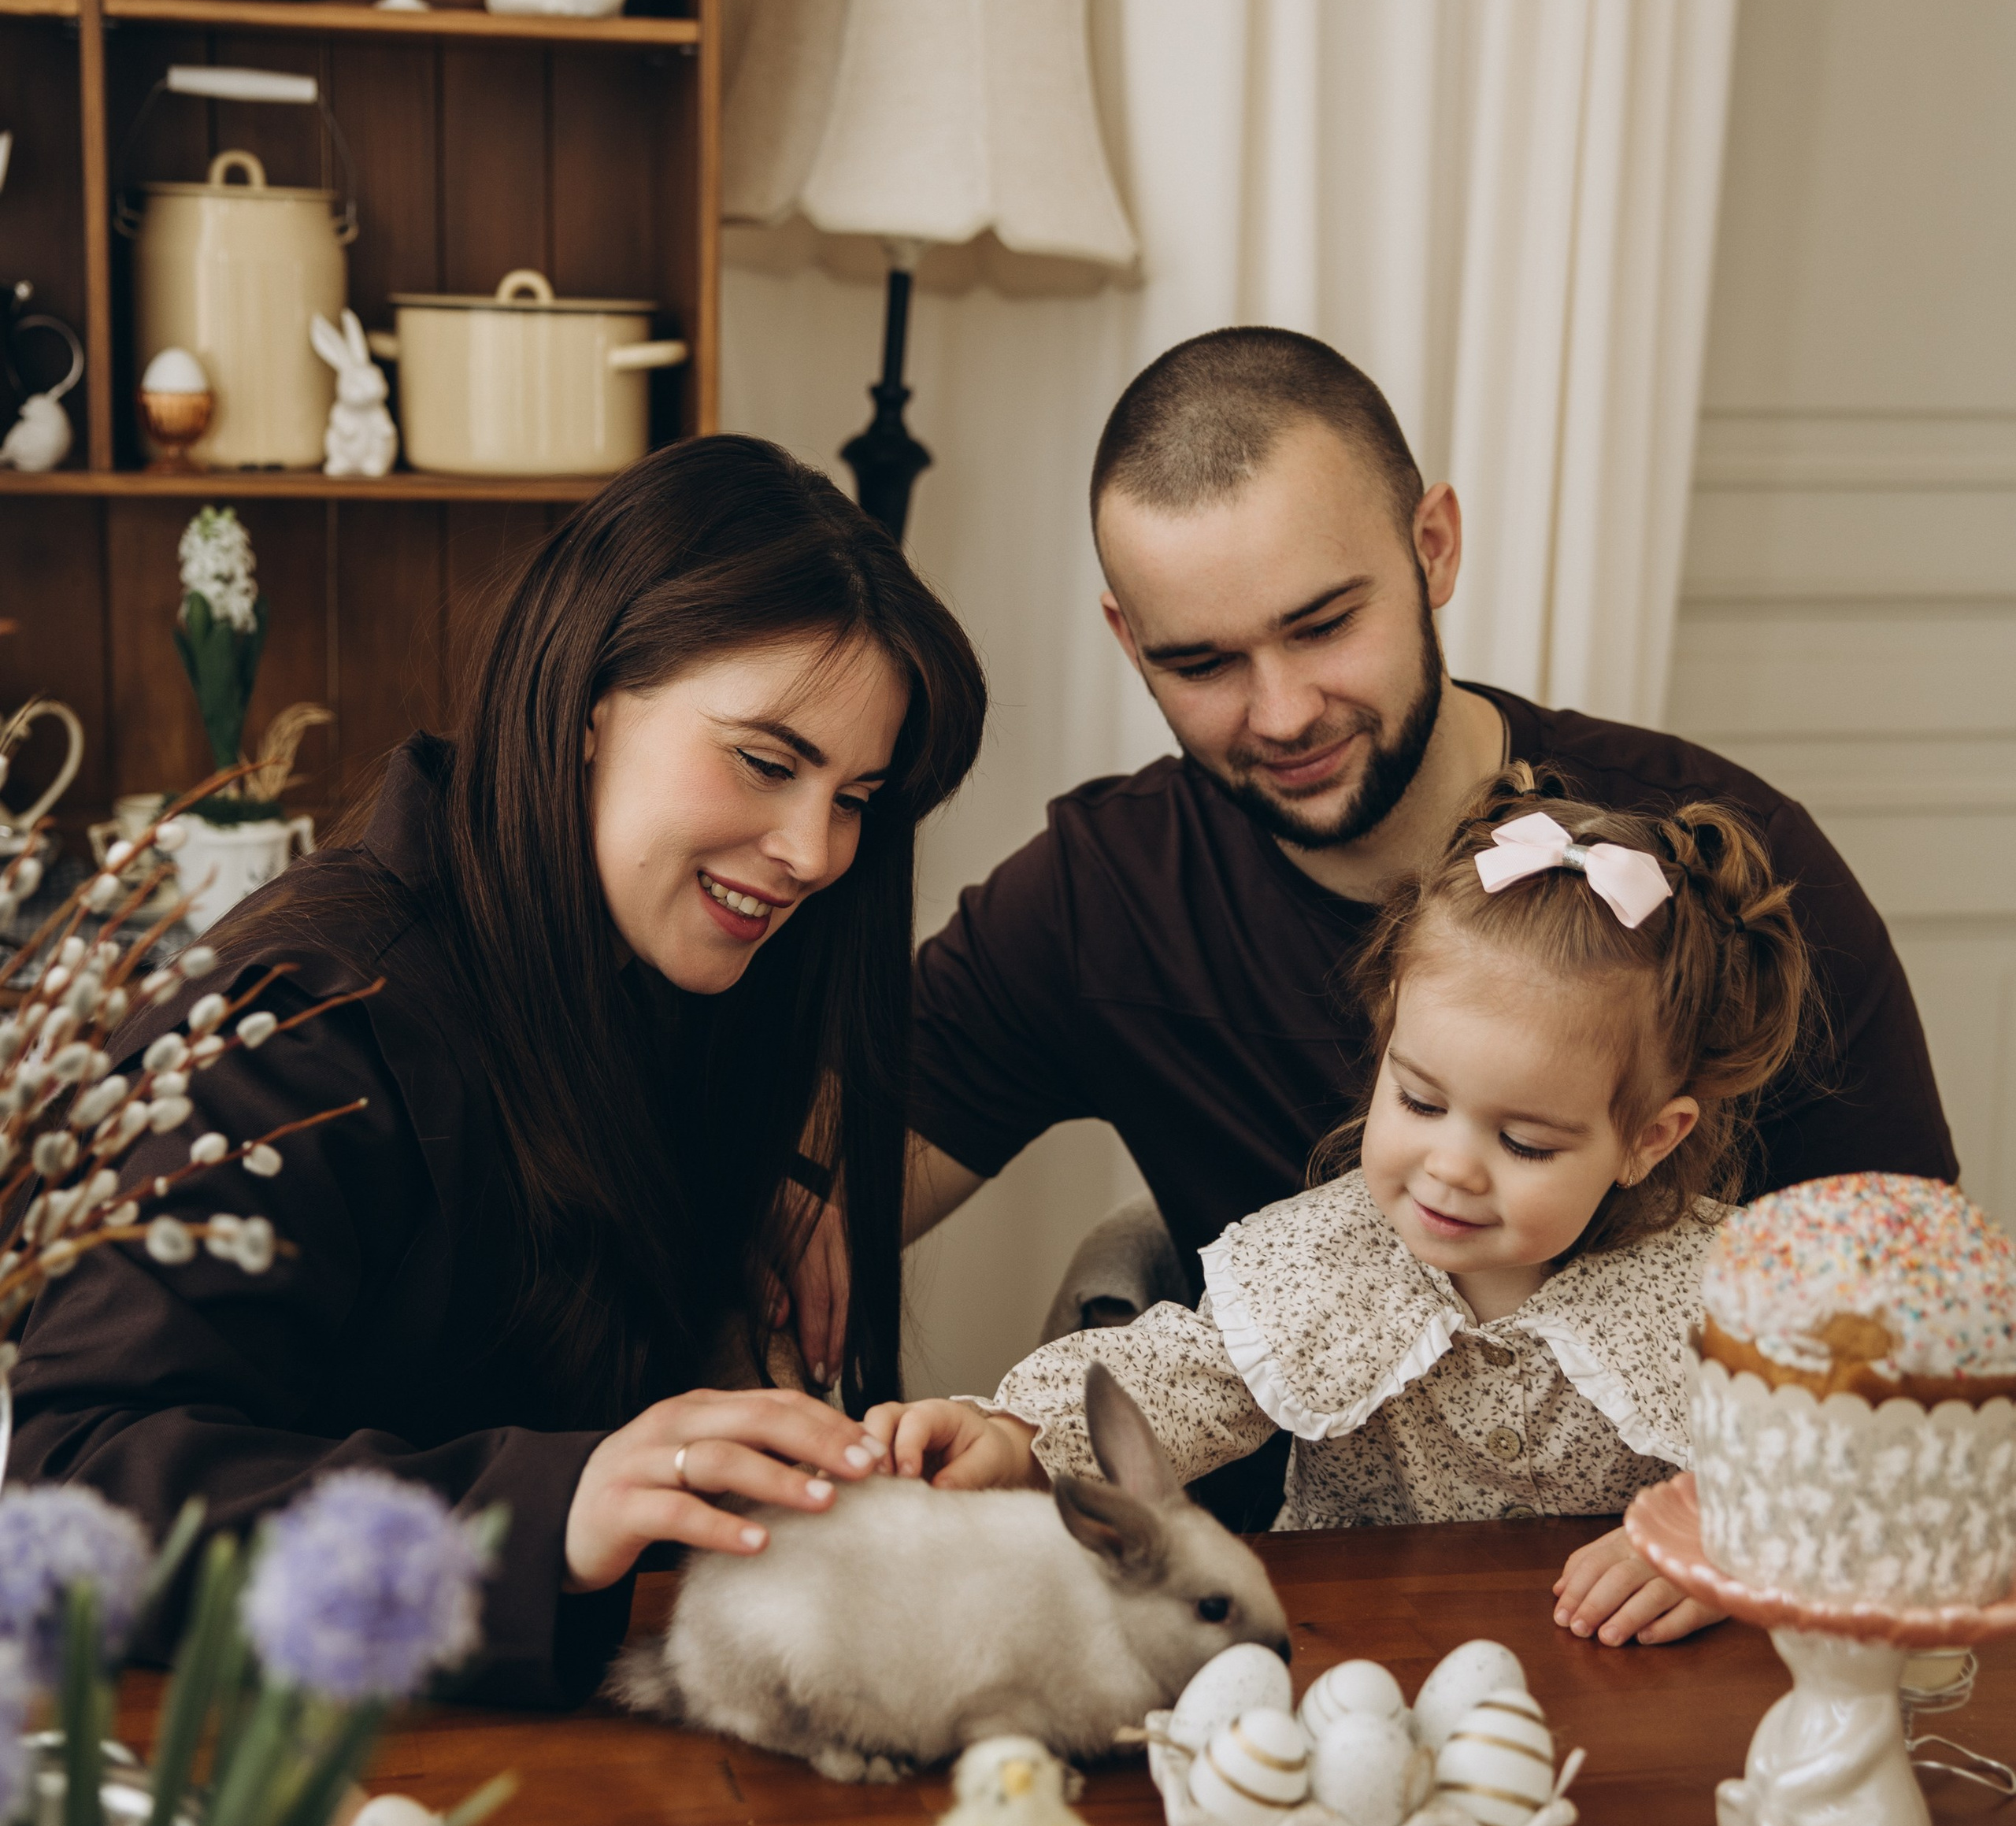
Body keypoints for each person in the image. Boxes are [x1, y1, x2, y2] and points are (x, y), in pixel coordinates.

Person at [789, 328, 1954, 1408]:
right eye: (1202, 663)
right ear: (1128, 640)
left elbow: (1916, 1321)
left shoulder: (1724, 865)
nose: (1283, 713)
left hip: (1658, 1571)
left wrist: (1722, 1535)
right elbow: (798, 1200)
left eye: (1324, 625)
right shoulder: (1102, 898)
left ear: (1432, 548)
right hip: (1282, 1592)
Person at [9, 438, 986, 1703]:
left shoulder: (675, 965)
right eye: (764, 761)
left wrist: (770, 1186)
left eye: (857, 795)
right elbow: (80, 1477)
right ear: (588, 707)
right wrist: (555, 1504)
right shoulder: (307, 1015)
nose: (812, 851)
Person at [865, 768, 1810, 1647]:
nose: (1449, 1168)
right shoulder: (1327, 1258)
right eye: (1420, 1101)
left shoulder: (1729, 1293)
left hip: (1615, 1691)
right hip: (1349, 1656)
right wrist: (1012, 1437)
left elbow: (1845, 1455)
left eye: (1523, 1143)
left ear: (1650, 1138)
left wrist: (1712, 1532)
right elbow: (1172, 1379)